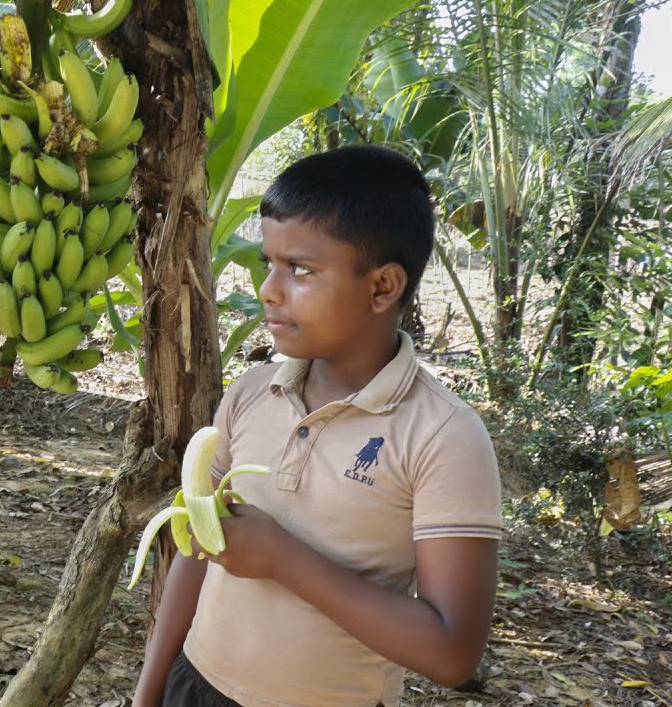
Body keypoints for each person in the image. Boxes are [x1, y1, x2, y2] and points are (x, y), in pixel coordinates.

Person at [133, 145, 502, 707]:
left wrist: (284, 559)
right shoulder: (251, 393)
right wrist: (149, 691)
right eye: (269, 264)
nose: (268, 289)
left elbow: (451, 654)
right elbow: (198, 551)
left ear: (383, 287)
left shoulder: (443, 436)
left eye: (300, 270)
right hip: (195, 685)